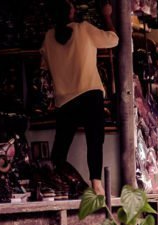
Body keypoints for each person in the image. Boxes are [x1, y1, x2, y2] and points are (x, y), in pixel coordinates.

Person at [40, 0, 119, 195]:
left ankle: (60, 185)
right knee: (94, 139)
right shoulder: (83, 29)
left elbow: (44, 67)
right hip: (89, 93)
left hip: (65, 99)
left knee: (60, 149)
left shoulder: (48, 37)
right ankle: (96, 185)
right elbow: (114, 39)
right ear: (71, 13)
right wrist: (107, 15)